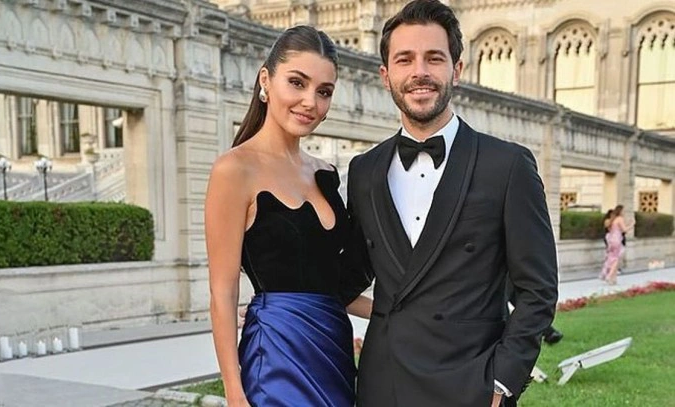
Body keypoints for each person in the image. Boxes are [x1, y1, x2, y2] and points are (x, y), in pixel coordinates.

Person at [345, 1, 559, 406]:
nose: (419, 72)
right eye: (405, 59)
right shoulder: (364, 170)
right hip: (383, 384)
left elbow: (538, 289)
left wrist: (502, 382)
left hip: (471, 383)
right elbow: (348, 274)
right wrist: (276, 298)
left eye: (434, 58)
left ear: (457, 70)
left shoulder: (507, 165)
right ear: (385, 75)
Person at [205, 25, 371, 407]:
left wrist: (402, 315)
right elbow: (223, 292)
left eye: (324, 91)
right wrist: (234, 392)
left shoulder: (326, 174)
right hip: (277, 355)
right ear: (266, 80)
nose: (310, 101)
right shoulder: (234, 170)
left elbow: (332, 285)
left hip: (333, 350)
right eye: (297, 83)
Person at [601, 204, 635, 285]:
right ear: (620, 211)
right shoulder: (619, 219)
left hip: (610, 240)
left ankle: (613, 279)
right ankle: (609, 276)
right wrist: (632, 224)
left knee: (611, 257)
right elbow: (624, 230)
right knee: (616, 259)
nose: (624, 213)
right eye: (623, 211)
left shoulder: (612, 219)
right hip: (617, 239)